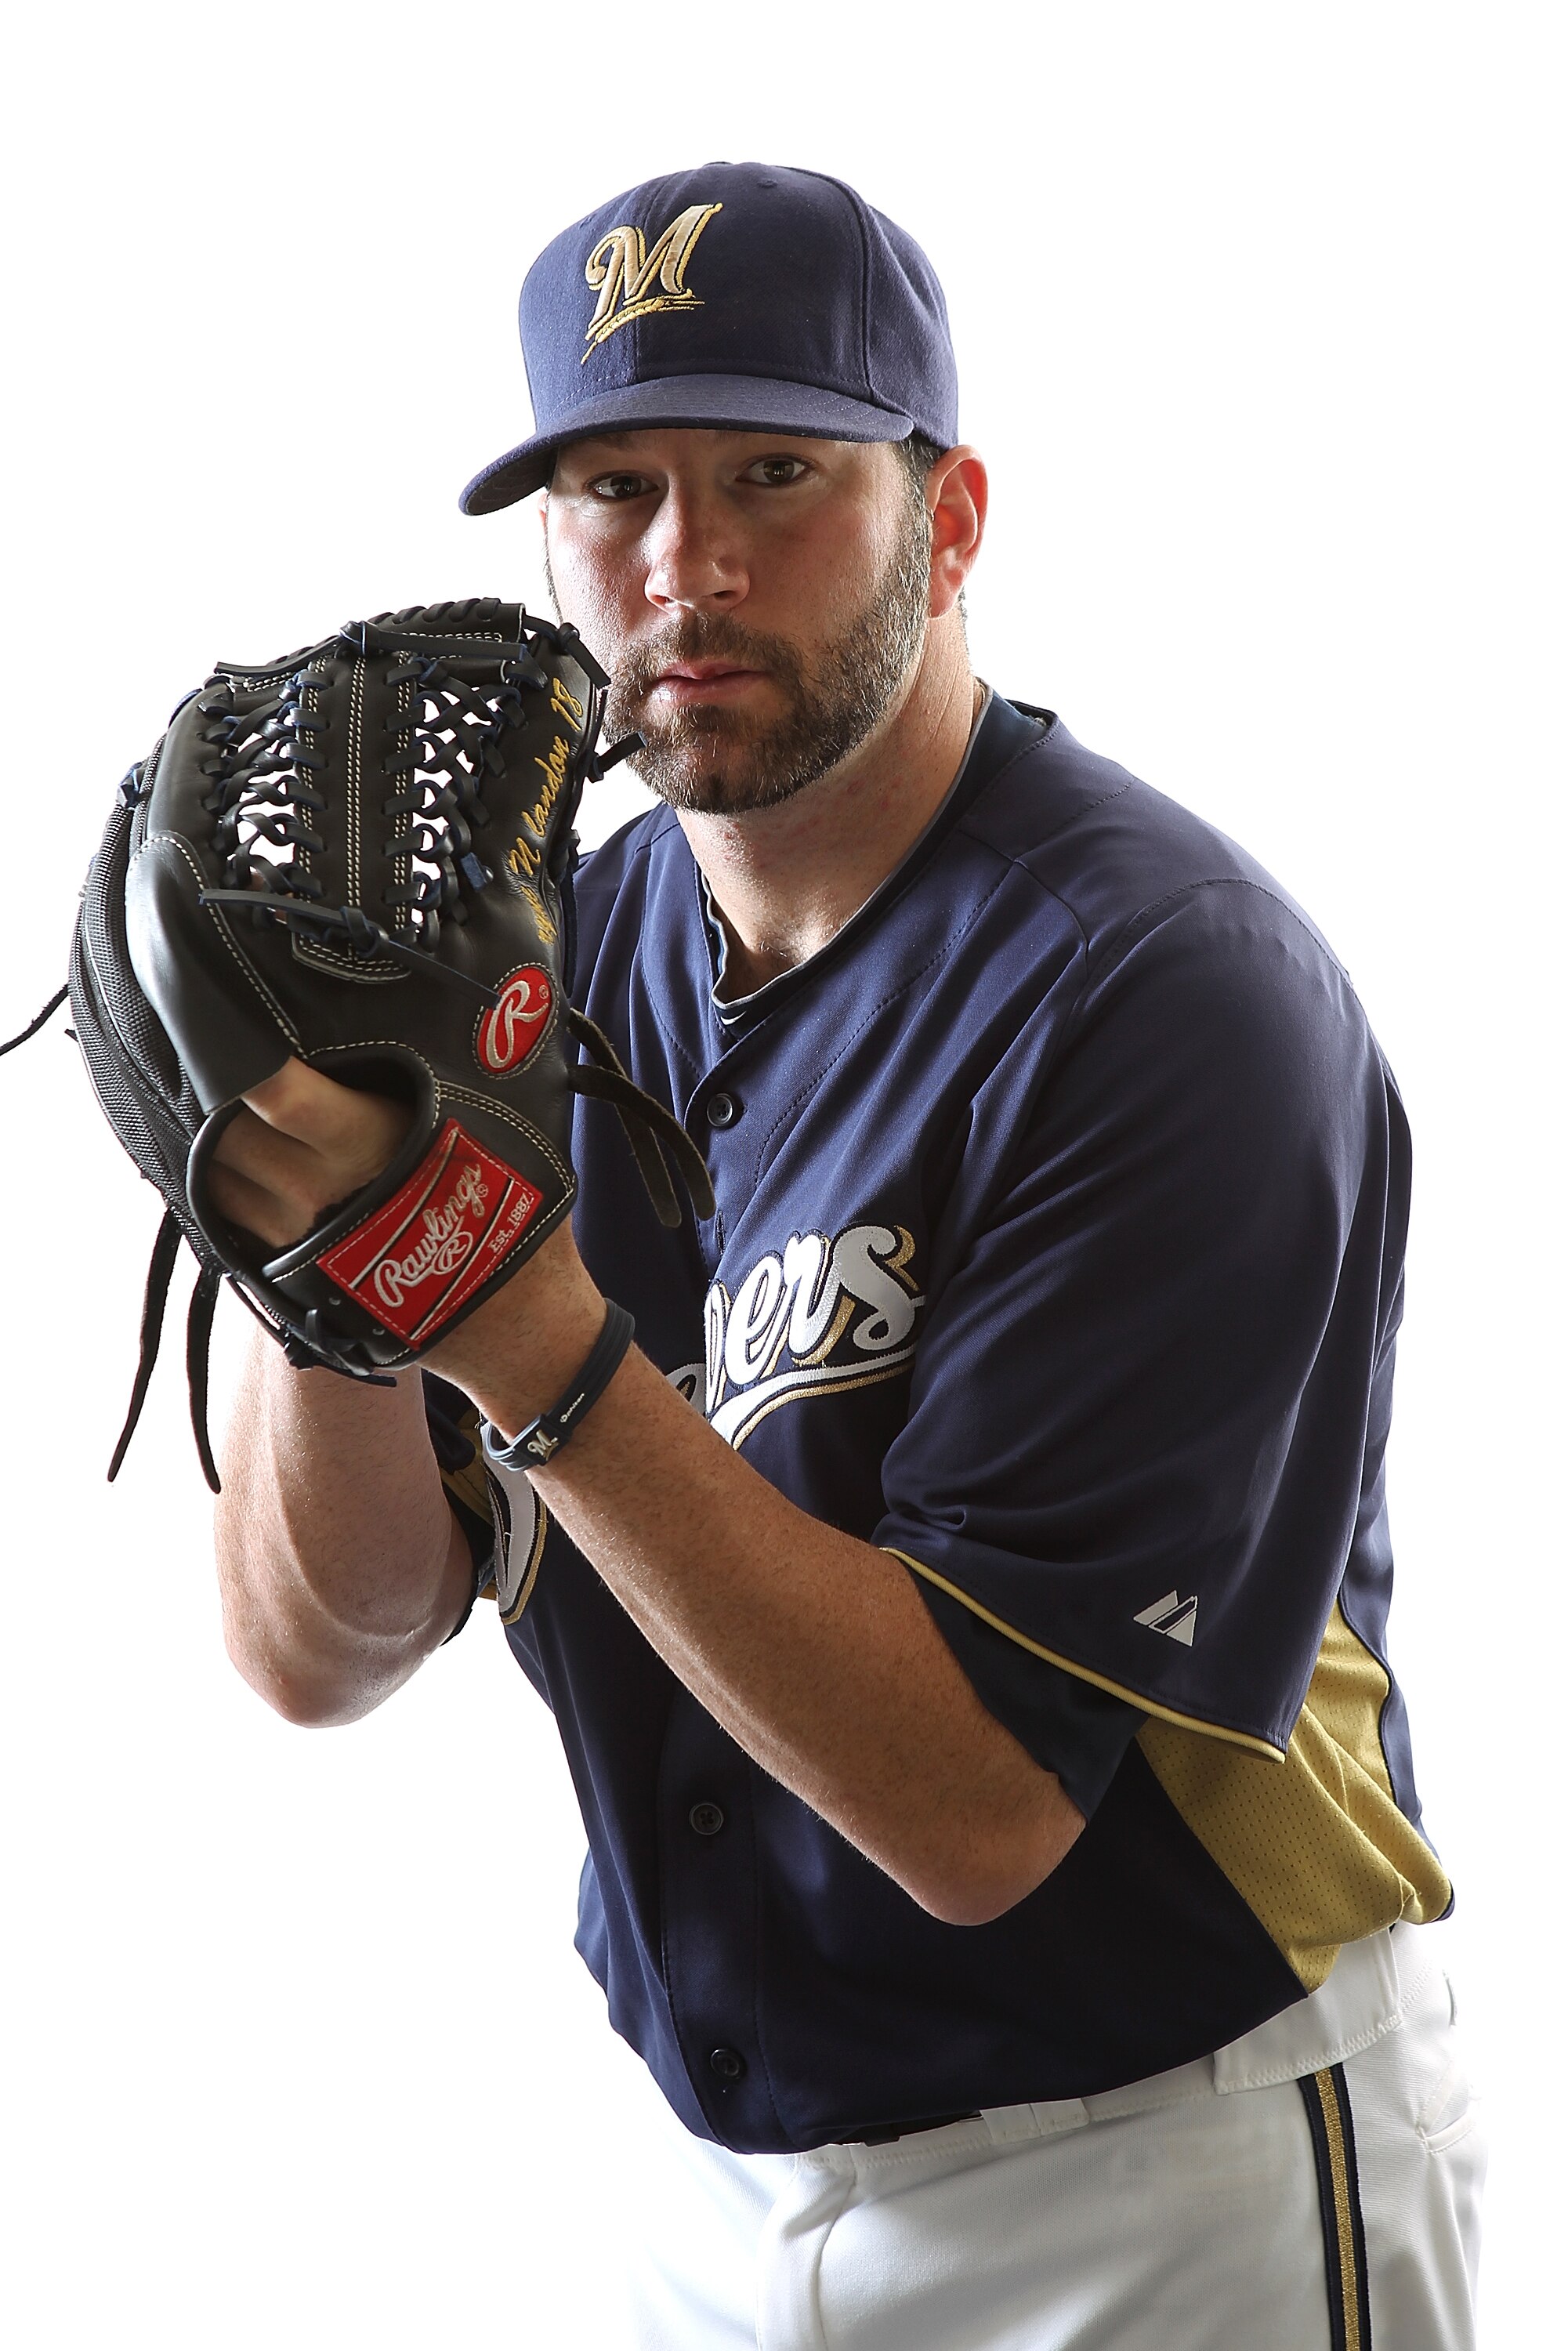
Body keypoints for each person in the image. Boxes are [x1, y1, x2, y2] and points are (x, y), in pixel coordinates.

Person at [207, 163, 1484, 2348]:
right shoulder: (530, 975)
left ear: (948, 516)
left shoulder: (1168, 992)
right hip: (701, 2186)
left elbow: (976, 1813)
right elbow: (324, 1652)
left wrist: (513, 1328)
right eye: (609, 488)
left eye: (774, 476)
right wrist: (327, 1265)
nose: (681, 569)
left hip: (1163, 2171)